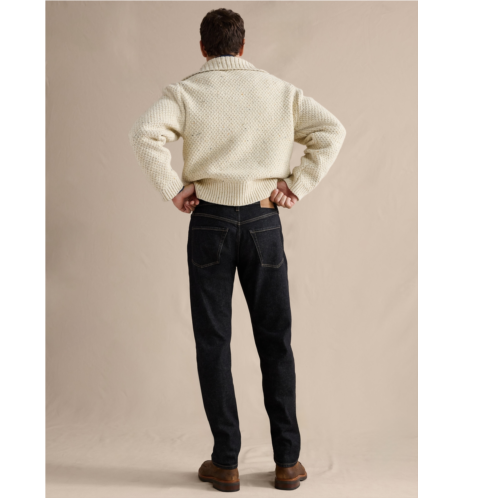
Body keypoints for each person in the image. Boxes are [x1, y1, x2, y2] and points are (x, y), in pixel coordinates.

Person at [129, 8, 346, 493]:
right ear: (243, 46)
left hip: (210, 222)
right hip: (264, 222)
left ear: (203, 48)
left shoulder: (185, 92)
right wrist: (296, 185)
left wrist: (173, 188)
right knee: (276, 341)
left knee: (214, 342)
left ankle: (226, 462)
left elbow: (143, 134)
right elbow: (332, 130)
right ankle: (287, 462)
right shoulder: (279, 91)